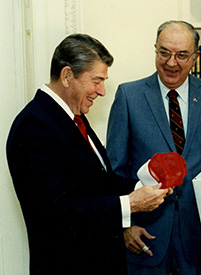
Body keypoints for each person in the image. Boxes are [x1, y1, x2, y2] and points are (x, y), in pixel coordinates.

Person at [6, 33, 171, 275]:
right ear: (67, 75)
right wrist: (130, 205)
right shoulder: (34, 126)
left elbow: (99, 182)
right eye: (96, 80)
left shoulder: (73, 118)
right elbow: (56, 210)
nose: (102, 91)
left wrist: (142, 187)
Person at [106, 20, 201, 274]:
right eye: (164, 53)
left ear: (195, 57)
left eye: (182, 55)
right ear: (155, 50)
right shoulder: (128, 95)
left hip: (200, 236)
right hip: (145, 237)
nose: (172, 63)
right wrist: (125, 226)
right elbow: (115, 169)